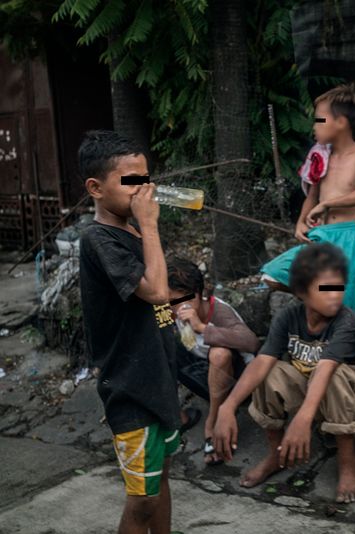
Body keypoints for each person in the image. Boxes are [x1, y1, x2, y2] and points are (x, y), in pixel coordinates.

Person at [78, 130, 180, 534]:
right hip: (129, 388)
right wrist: (150, 225)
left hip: (158, 380)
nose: (144, 190)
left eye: (146, 178)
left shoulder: (136, 233)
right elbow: (156, 291)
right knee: (141, 500)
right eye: (131, 181)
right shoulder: (99, 239)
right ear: (96, 188)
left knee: (161, 478)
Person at [214, 243, 355, 504]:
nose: (335, 295)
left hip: (353, 402)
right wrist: (228, 406)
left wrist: (302, 420)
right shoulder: (288, 317)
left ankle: (348, 462)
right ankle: (276, 454)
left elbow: (324, 369)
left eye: (338, 287)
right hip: (312, 397)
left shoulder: (345, 323)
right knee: (268, 370)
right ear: (302, 292)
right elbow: (262, 361)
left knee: (335, 375)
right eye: (325, 288)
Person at [261, 83, 355, 329]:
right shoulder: (320, 155)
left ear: (341, 122)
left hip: (351, 237)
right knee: (272, 274)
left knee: (352, 310)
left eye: (319, 120)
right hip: (322, 237)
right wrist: (301, 222)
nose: (314, 126)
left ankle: (346, 354)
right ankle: (317, 302)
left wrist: (327, 205)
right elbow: (312, 195)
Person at [166, 257, 260, 465]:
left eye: (185, 300)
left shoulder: (219, 311)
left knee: (220, 353)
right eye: (172, 302)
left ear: (200, 295)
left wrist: (201, 327)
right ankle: (177, 416)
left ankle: (214, 421)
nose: (178, 308)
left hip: (236, 381)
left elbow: (251, 342)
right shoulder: (172, 311)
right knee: (159, 343)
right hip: (202, 372)